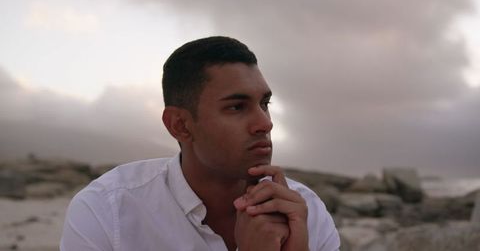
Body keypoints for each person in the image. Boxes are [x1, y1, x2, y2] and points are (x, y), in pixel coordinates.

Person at [60, 36, 340, 251]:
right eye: (236, 107)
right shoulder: (107, 211)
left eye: (264, 103)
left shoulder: (306, 212)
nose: (264, 123)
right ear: (179, 125)